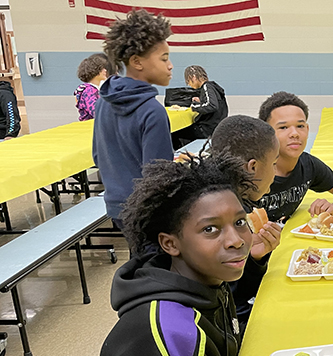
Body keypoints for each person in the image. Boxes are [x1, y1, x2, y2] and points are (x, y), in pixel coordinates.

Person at [89, 153, 257, 356]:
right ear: (170, 243)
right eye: (211, 229)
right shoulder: (169, 331)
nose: (236, 239)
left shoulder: (208, 281)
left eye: (240, 221)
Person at [92, 9, 173, 228]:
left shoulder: (103, 101)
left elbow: (98, 155)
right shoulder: (152, 111)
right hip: (148, 211)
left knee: (139, 260)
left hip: (116, 207)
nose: (170, 65)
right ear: (137, 62)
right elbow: (159, 177)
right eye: (164, 58)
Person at [209, 115, 281, 327]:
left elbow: (235, 289)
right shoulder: (221, 213)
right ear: (252, 167)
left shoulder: (238, 203)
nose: (275, 173)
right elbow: (225, 299)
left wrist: (254, 260)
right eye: (274, 164)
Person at [256, 91, 333, 221]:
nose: (294, 133)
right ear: (266, 133)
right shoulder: (251, 172)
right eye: (283, 127)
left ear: (307, 129)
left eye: (300, 126)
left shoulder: (308, 165)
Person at [171, 65, 228, 149]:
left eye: (188, 81)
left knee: (174, 133)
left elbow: (212, 105)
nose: (189, 84)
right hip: (215, 126)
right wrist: (201, 101)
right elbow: (214, 103)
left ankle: (180, 156)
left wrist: (194, 106)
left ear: (193, 77)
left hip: (207, 129)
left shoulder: (206, 86)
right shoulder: (213, 86)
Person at [74, 53, 111, 121]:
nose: (105, 70)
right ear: (96, 71)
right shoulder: (89, 91)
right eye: (102, 68)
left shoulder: (93, 89)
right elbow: (95, 111)